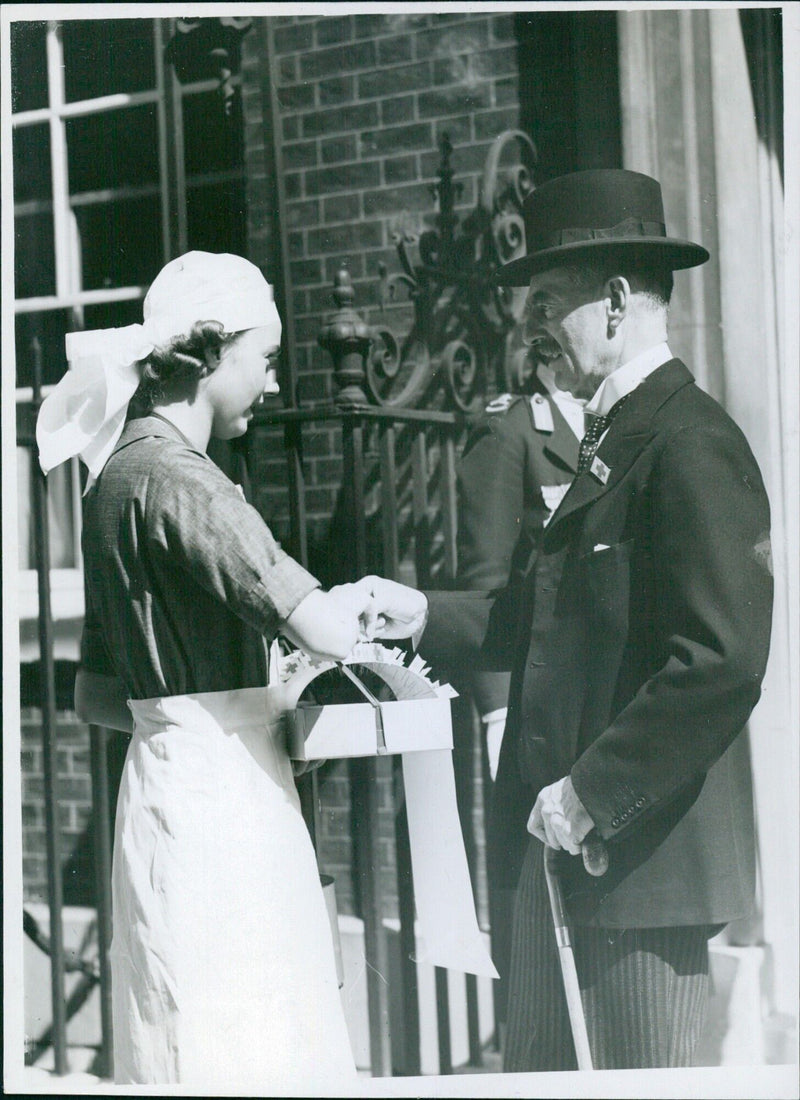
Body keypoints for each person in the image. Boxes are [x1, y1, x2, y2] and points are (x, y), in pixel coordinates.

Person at [371, 169, 774, 1070]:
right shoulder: (612, 435)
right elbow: (540, 621)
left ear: (618, 301)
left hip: (636, 869)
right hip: (554, 855)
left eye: (548, 302)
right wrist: (415, 612)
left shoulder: (691, 441)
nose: (533, 328)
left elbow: (723, 659)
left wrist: (593, 794)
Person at [36, 252, 426, 1089]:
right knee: (250, 1037)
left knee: (182, 1029)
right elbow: (321, 624)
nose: (275, 384)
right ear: (213, 355)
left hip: (162, 794)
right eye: (267, 359)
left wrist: (242, 703)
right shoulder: (188, 482)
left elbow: (98, 696)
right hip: (228, 811)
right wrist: (373, 596)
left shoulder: (110, 482)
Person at [452, 353, 582, 1035]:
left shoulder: (609, 426)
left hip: (590, 709)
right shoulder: (510, 432)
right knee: (535, 890)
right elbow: (485, 589)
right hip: (528, 704)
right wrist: (498, 709)